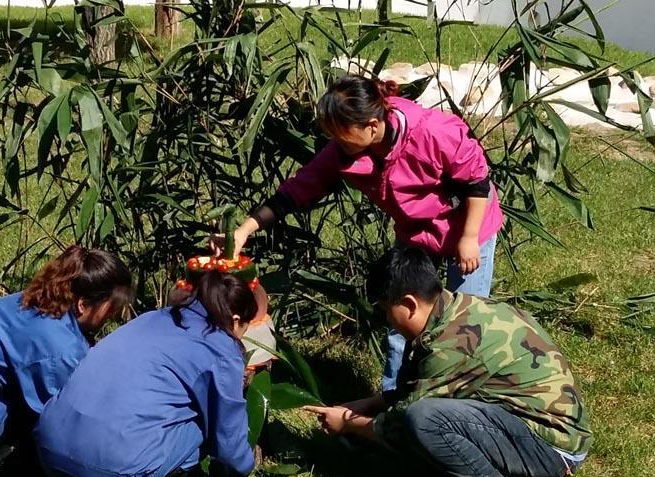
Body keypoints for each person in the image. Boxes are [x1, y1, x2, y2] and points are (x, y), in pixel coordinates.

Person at [214, 75, 504, 393]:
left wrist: (468, 238)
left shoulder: (432, 132)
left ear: (371, 125)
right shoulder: (346, 150)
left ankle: (459, 398)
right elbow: (298, 190)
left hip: (467, 228)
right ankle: (393, 400)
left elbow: (477, 180)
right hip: (416, 234)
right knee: (401, 317)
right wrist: (244, 230)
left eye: (342, 135)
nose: (337, 144)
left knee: (464, 321)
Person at [303, 247, 592, 477]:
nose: (387, 321)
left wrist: (348, 424)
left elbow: (402, 427)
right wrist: (369, 404)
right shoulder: (455, 309)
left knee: (425, 421)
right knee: (427, 418)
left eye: (385, 310)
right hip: (545, 426)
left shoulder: (450, 345)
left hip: (552, 447)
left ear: (409, 304)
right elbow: (417, 387)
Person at [13, 271, 257, 477]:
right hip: (112, 468)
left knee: (92, 435)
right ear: (236, 320)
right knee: (201, 424)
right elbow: (227, 434)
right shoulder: (220, 348)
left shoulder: (155, 318)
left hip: (48, 448)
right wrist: (237, 475)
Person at [0, 246, 132, 477]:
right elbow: (69, 416)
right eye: (112, 306)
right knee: (50, 413)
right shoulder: (57, 347)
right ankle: (1, 466)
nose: (114, 314)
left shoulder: (36, 300)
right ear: (83, 304)